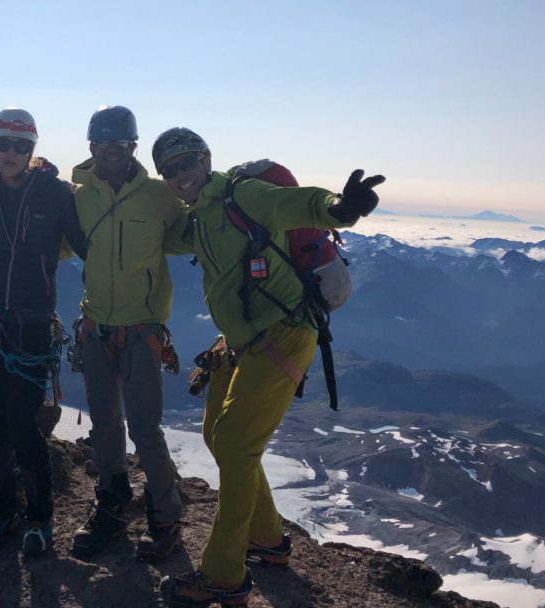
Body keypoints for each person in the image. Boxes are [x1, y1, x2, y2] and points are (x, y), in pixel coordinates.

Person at [150, 127, 384, 607]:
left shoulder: (242, 193)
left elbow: (291, 205)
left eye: (188, 163)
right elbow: (161, 236)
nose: (181, 175)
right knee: (220, 436)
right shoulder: (197, 220)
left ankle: (223, 575)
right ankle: (268, 541)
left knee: (236, 444)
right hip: (244, 339)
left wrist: (340, 208)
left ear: (205, 160)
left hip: (283, 333)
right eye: (169, 170)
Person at [69, 105, 191, 563]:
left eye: (120, 144)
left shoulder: (160, 197)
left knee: (144, 428)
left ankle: (165, 519)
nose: (112, 152)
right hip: (97, 326)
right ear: (91, 146)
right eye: (103, 144)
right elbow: (61, 243)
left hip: (142, 330)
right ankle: (114, 506)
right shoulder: (79, 196)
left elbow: (189, 234)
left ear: (134, 147)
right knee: (104, 425)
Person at [0, 108, 87, 557]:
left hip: (33, 321)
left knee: (21, 421)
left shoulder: (55, 193)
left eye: (21, 146)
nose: (11, 153)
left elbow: (86, 243)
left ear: (33, 150)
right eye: (2, 144)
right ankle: (0, 510)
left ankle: (38, 514)